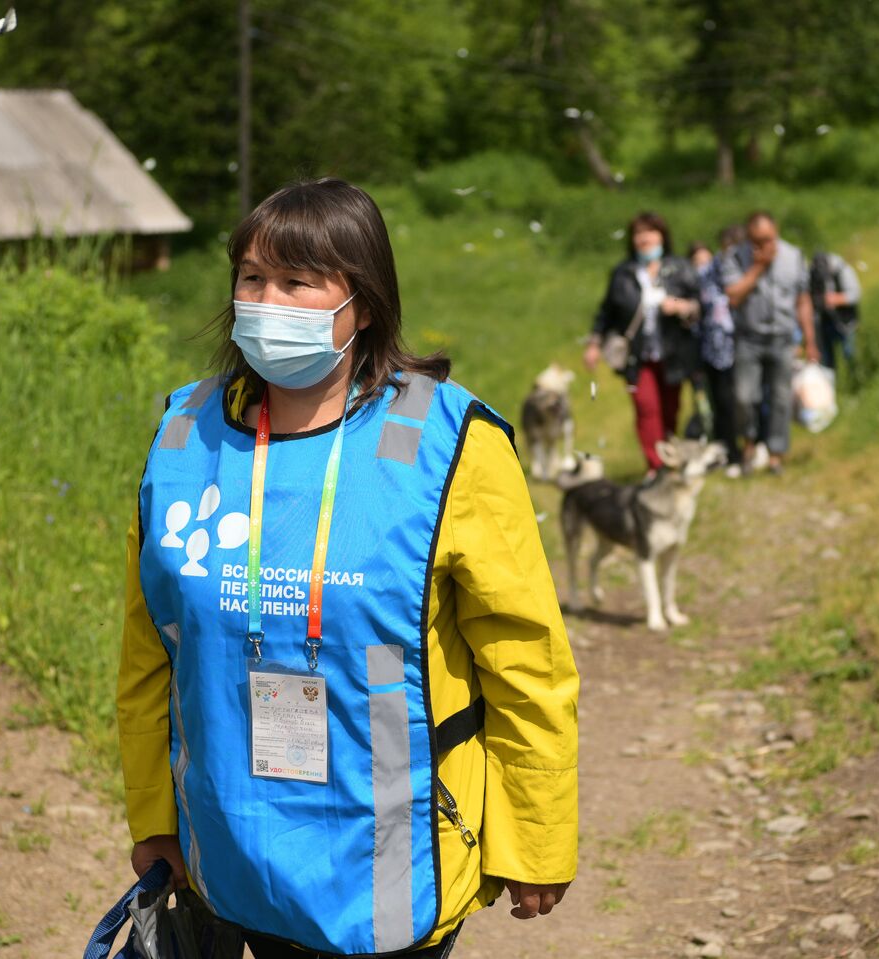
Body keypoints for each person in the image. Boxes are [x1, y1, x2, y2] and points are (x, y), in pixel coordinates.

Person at [117, 178, 579, 958]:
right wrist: (155, 817)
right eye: (252, 278)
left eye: (299, 280)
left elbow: (526, 658)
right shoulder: (183, 440)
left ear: (360, 303)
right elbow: (148, 653)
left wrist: (535, 836)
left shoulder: (449, 445)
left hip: (391, 865)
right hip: (231, 853)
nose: (267, 300)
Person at [582, 211, 701, 473]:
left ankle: (668, 457)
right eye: (638, 233)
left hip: (673, 353)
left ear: (662, 235)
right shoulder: (623, 273)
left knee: (670, 409)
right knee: (647, 408)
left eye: (650, 231)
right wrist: (593, 344)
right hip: (637, 357)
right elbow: (607, 313)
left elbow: (699, 304)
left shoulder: (679, 268)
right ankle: (655, 467)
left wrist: (680, 306)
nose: (644, 237)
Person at [721, 210, 819, 475]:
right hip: (748, 339)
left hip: (783, 339)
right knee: (744, 396)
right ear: (748, 237)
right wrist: (758, 267)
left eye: (769, 239)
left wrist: (810, 340)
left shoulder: (794, 256)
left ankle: (776, 454)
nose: (765, 246)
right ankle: (749, 445)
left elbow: (803, 300)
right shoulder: (734, 257)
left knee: (781, 399)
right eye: (758, 241)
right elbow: (733, 296)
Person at [688, 241, 741, 476]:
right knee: (713, 405)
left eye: (705, 260)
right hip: (706, 352)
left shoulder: (722, 280)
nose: (702, 266)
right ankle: (723, 451)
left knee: (733, 401)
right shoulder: (691, 286)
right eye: (696, 262)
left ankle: (739, 450)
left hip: (732, 348)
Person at [809, 248, 862, 383]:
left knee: (850, 353)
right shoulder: (812, 274)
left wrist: (836, 299)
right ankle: (833, 385)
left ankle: (856, 380)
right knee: (827, 361)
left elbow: (855, 294)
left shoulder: (842, 270)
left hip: (845, 321)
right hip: (824, 323)